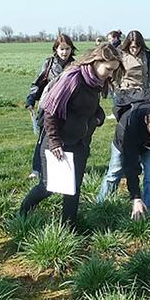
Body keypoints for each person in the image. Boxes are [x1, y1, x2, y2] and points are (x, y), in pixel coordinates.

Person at [20, 44, 122, 227]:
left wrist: (97, 118)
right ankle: (23, 213)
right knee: (48, 186)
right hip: (58, 141)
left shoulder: (96, 82)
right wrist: (55, 142)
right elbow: (50, 112)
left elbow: (90, 108)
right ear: (96, 61)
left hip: (80, 142)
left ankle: (68, 228)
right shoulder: (73, 79)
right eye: (108, 69)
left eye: (114, 70)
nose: (110, 74)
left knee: (73, 188)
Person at [96, 102, 150, 219]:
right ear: (146, 120)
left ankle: (149, 214)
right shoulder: (128, 126)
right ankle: (100, 206)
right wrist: (136, 198)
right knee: (114, 174)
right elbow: (131, 167)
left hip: (149, 147)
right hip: (124, 144)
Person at [24, 34, 76, 179]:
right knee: (43, 138)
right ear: (56, 49)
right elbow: (38, 82)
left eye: (67, 49)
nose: (64, 52)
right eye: (61, 49)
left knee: (66, 138)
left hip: (68, 109)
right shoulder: (49, 64)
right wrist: (31, 98)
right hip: (49, 108)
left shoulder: (76, 65)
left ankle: (65, 166)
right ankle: (37, 169)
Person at [112, 30, 150, 120]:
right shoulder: (120, 55)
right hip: (125, 96)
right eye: (132, 47)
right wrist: (117, 90)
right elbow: (113, 75)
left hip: (143, 94)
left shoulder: (147, 55)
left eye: (138, 47)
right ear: (127, 45)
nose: (135, 50)